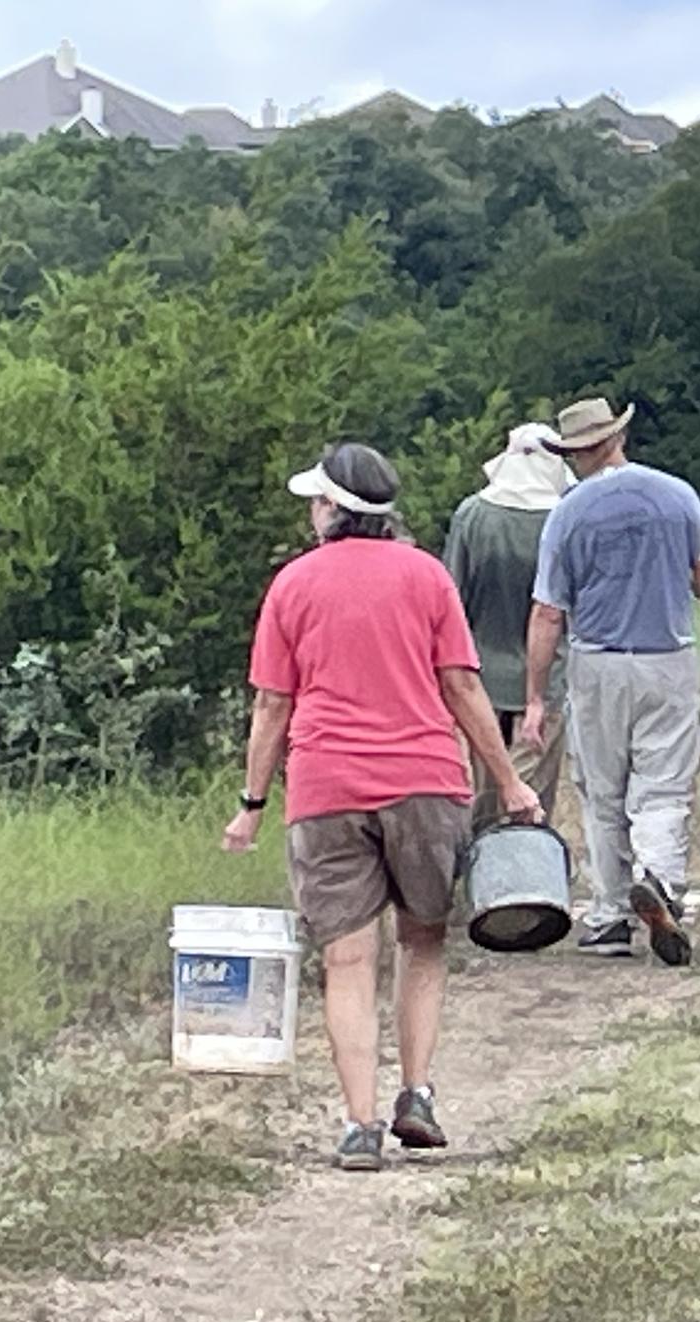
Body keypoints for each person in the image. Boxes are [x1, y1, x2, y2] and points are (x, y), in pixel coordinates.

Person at [224, 442, 541, 1172]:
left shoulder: (293, 585)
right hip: (426, 781)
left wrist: (251, 803)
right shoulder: (427, 577)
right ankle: (418, 1093)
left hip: (327, 789)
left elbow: (274, 705)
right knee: (422, 942)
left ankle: (360, 1125)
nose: (311, 510)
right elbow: (462, 688)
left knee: (347, 959)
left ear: (335, 510)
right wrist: (510, 781)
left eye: (316, 500)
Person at [520, 396, 700, 966]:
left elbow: (547, 613)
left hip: (597, 662)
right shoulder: (676, 496)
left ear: (575, 452)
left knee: (602, 791)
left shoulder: (567, 513)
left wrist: (536, 696)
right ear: (618, 437)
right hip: (667, 657)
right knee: (663, 785)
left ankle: (609, 914)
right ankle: (660, 879)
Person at [442, 421, 574, 823]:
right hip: (548, 675)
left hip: (480, 677)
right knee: (533, 796)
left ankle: (481, 869)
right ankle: (529, 871)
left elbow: (451, 599)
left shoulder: (472, 515)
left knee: (484, 790)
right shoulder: (562, 520)